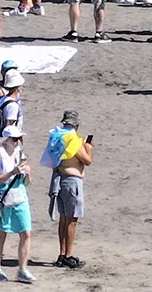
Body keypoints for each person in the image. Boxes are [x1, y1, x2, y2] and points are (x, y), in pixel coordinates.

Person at [0, 123, 33, 283]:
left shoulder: (20, 154)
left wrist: (27, 174)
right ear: (6, 140)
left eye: (19, 139)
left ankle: (23, 270)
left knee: (26, 232)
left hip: (19, 196)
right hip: (2, 197)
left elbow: (27, 182)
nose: (18, 142)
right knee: (1, 234)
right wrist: (12, 172)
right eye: (15, 139)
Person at [45, 110, 91, 270]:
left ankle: (62, 254)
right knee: (72, 220)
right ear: (76, 125)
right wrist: (89, 147)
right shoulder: (73, 140)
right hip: (71, 181)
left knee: (63, 219)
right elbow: (87, 160)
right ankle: (68, 256)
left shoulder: (57, 138)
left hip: (59, 179)